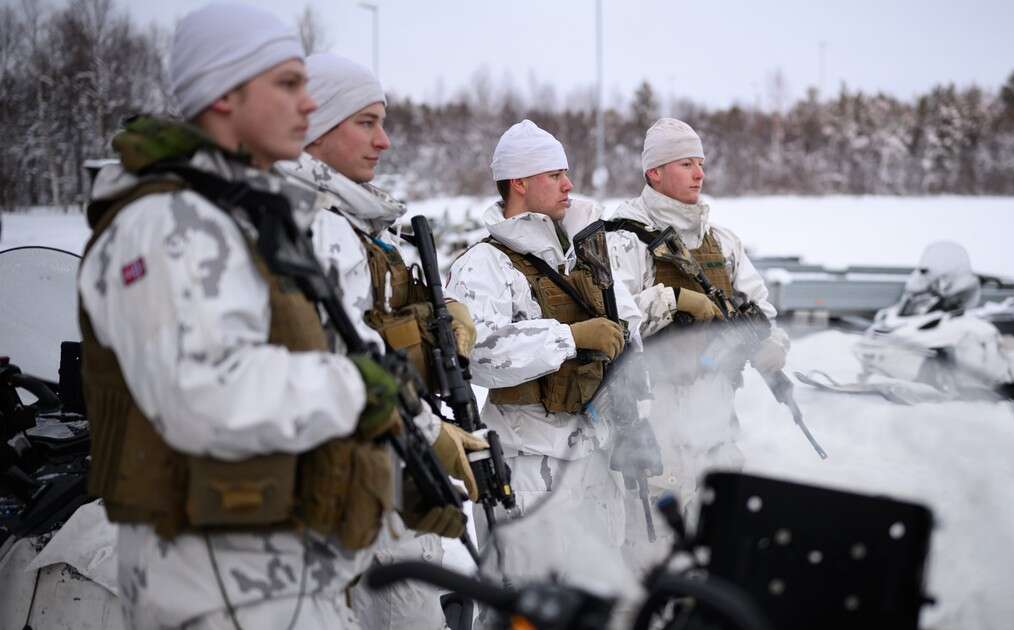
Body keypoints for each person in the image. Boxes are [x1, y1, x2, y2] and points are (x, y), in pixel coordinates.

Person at [77, 4, 471, 628]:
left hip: (282, 569)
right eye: (288, 85)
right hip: (211, 585)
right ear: (225, 94)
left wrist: (405, 453)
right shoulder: (164, 223)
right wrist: (357, 390)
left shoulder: (245, 217)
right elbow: (202, 395)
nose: (307, 104)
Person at [278, 52, 483, 630]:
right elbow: (340, 360)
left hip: (379, 460)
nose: (384, 141)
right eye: (365, 122)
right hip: (345, 470)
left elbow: (376, 322)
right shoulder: (319, 226)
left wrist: (446, 317)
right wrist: (428, 430)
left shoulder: (360, 224)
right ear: (316, 127)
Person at [444, 120, 642, 574]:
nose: (569, 185)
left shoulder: (584, 257)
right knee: (525, 604)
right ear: (519, 181)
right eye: (555, 175)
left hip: (594, 457)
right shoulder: (485, 264)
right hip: (529, 466)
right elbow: (478, 355)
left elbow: (630, 330)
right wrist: (568, 338)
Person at [604, 118, 791, 512]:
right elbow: (614, 321)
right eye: (685, 163)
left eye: (700, 162)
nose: (699, 173)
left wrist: (770, 344)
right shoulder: (623, 237)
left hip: (716, 415)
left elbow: (762, 310)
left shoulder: (721, 241)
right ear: (654, 172)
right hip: (654, 416)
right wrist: (675, 300)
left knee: (718, 536)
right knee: (653, 550)